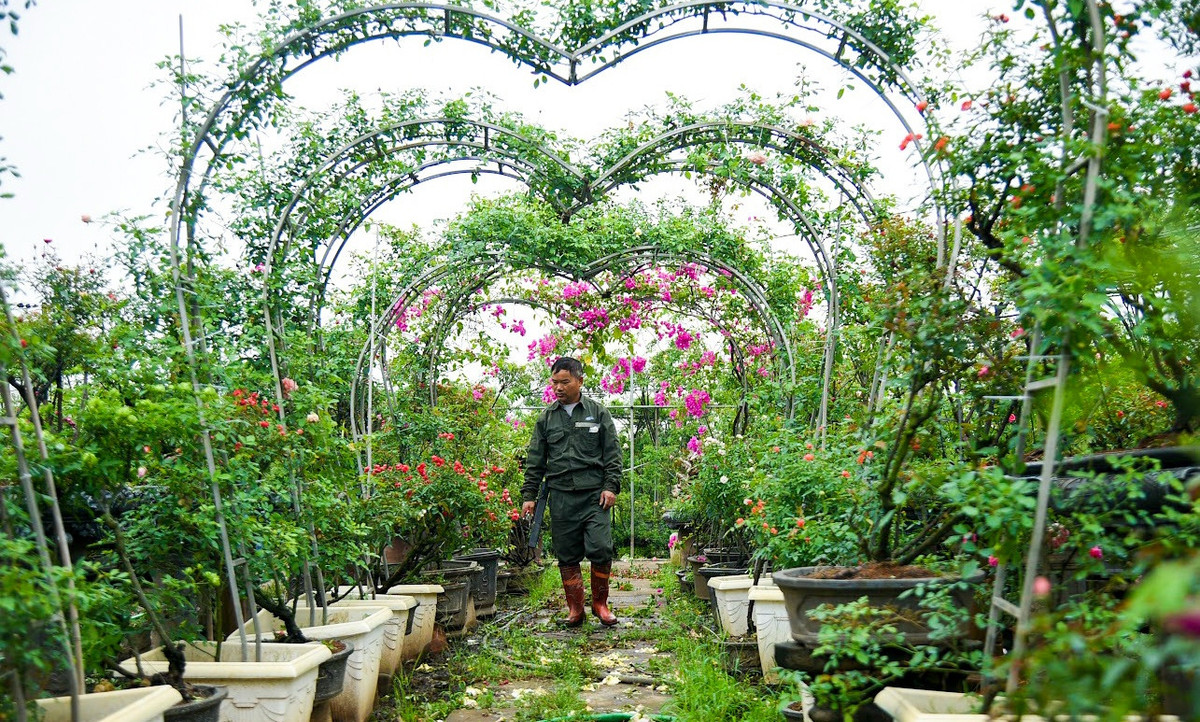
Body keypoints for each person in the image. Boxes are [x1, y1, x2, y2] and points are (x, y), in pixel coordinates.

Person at [521, 356, 622, 627]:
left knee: (600, 547)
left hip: (594, 497)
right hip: (562, 496)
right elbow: (535, 460)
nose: (558, 387)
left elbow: (612, 453)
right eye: (554, 382)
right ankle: (575, 609)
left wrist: (610, 487)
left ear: (579, 381)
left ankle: (600, 604)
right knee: (566, 553)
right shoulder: (546, 419)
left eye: (565, 382)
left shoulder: (598, 413)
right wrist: (529, 495)